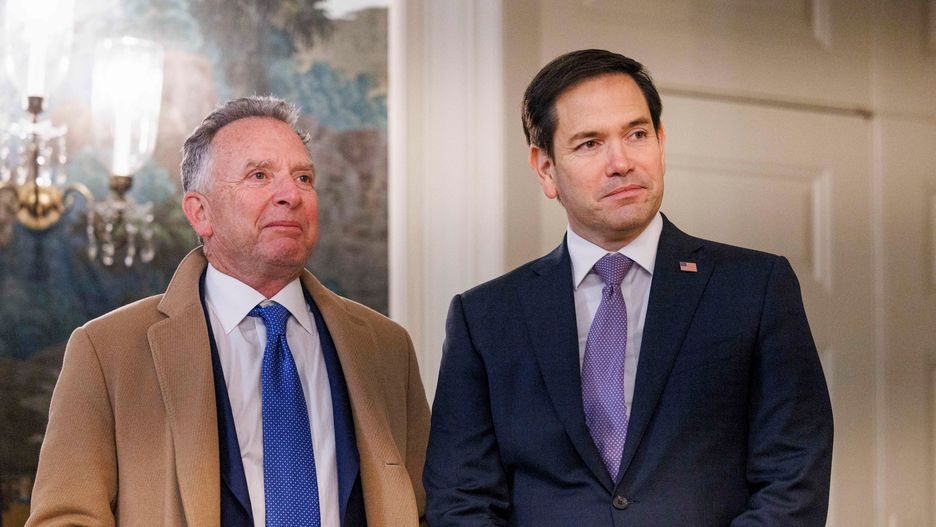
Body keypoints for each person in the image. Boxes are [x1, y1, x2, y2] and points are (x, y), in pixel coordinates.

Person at [424, 49, 833, 526]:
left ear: (661, 142)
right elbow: (460, 497)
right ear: (545, 169)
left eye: (637, 134)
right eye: (589, 144)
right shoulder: (485, 318)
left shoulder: (755, 288)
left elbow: (793, 476)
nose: (621, 162)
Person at [27, 96, 430, 527]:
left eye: (304, 177)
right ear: (200, 213)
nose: (290, 195)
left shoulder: (388, 348)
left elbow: (430, 508)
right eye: (259, 175)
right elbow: (65, 519)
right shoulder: (106, 352)